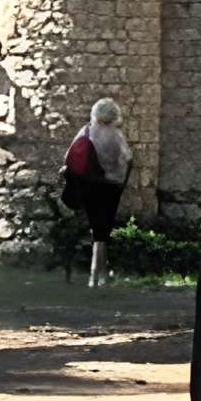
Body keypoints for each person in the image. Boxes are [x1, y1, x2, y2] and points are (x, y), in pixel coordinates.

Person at [63, 98, 132, 288]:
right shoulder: (116, 135)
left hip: (89, 184)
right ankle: (97, 276)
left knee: (97, 231)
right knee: (103, 232)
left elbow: (68, 157)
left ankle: (97, 275)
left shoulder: (86, 131)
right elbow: (126, 159)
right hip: (110, 187)